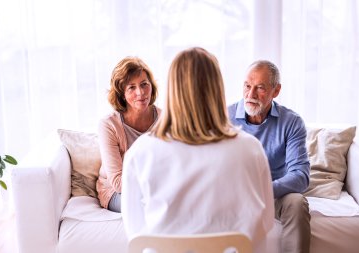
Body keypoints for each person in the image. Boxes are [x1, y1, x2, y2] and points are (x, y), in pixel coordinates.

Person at [121, 47, 274, 252]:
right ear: (217, 89)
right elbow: (264, 224)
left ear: (171, 92)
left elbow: (136, 232)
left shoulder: (141, 153)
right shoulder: (250, 149)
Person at [228, 60, 311, 253]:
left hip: (277, 192)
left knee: (297, 203)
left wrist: (263, 190)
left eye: (260, 88)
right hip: (238, 194)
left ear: (276, 91)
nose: (251, 95)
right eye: (247, 86)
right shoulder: (224, 117)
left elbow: (300, 175)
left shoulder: (292, 122)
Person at [96, 56, 161, 213]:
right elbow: (118, 182)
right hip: (117, 192)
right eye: (131, 87)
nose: (141, 93)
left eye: (144, 84)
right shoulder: (108, 125)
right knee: (153, 207)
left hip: (158, 187)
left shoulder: (165, 119)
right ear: (121, 93)